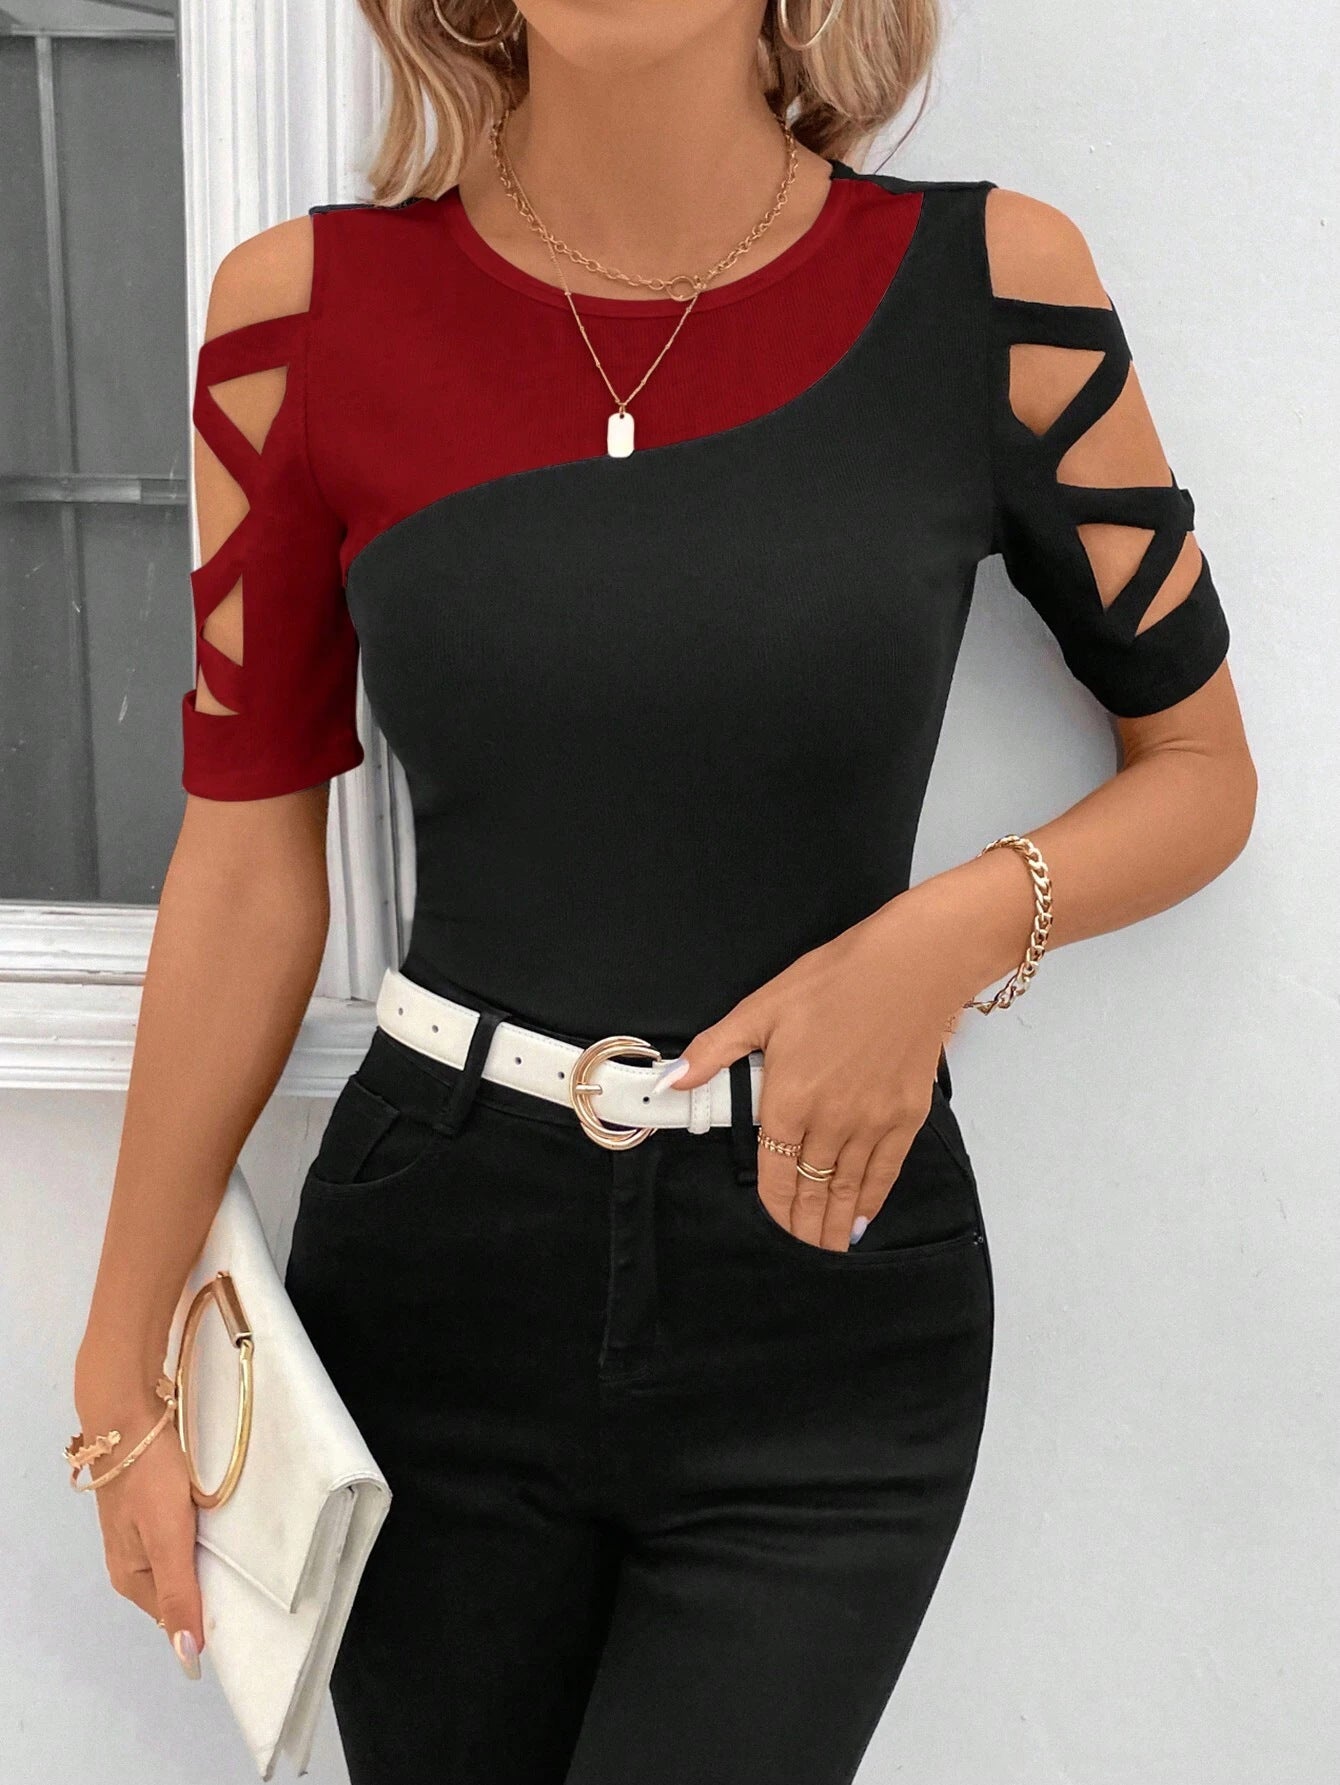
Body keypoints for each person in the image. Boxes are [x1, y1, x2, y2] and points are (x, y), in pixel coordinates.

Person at [68, 2, 1257, 1781]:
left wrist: (936, 941)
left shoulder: (996, 289)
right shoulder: (298, 319)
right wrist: (121, 1363)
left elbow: (1203, 773)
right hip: (429, 1298)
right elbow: (245, 862)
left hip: (829, 1287)